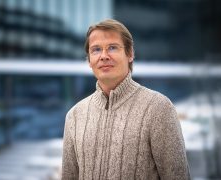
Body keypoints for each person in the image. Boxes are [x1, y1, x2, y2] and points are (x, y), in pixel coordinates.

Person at [61, 19, 190, 180]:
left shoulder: (158, 108)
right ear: (89, 60)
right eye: (96, 50)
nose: (104, 56)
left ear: (130, 54)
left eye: (112, 48)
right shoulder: (74, 116)